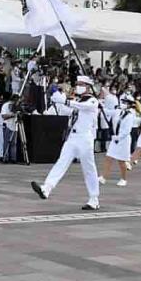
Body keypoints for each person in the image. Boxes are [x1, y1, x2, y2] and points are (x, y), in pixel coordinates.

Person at [31, 75, 101, 210]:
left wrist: (65, 101)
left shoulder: (92, 101)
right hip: (72, 138)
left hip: (85, 138)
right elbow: (68, 111)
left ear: (87, 86)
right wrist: (57, 98)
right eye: (77, 84)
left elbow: (82, 106)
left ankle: (94, 198)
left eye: (80, 84)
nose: (77, 86)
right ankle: (46, 188)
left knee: (89, 169)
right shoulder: (77, 100)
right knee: (61, 162)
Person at [100, 93, 136, 187]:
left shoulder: (130, 115)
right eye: (122, 101)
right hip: (115, 138)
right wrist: (101, 106)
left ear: (129, 104)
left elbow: (127, 130)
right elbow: (108, 112)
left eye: (125, 102)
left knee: (121, 161)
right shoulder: (118, 111)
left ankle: (123, 179)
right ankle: (104, 177)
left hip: (123, 140)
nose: (123, 103)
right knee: (108, 158)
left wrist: (118, 137)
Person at [0, 95, 21, 163]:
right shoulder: (6, 105)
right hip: (8, 125)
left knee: (14, 143)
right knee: (7, 142)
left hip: (15, 126)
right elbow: (3, 116)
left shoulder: (17, 106)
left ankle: (13, 158)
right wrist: (12, 115)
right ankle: (5, 157)